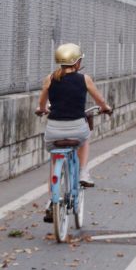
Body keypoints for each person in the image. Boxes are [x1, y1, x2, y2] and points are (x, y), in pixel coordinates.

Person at [37, 43, 112, 220]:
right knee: (85, 139)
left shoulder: (50, 78)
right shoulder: (84, 79)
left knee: (55, 158)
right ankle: (84, 172)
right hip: (77, 128)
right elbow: (99, 100)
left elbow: (41, 103)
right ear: (77, 62)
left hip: (54, 130)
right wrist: (105, 107)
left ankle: (51, 200)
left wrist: (42, 109)